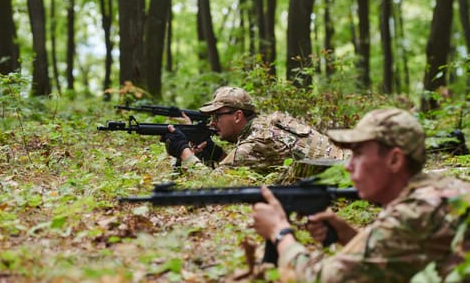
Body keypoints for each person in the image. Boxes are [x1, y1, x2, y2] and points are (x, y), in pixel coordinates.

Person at [252, 107, 470, 282]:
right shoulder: (444, 189)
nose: (349, 166)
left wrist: (279, 232)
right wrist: (349, 236)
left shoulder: (413, 212)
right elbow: (398, 256)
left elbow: (321, 279)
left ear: (395, 160)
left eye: (358, 154)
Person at [163, 86, 348, 177]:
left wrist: (183, 151)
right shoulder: (268, 123)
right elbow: (254, 165)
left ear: (237, 116)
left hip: (348, 177)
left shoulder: (256, 142)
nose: (212, 123)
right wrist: (218, 154)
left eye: (217, 117)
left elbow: (212, 183)